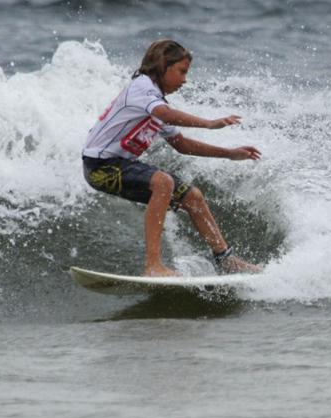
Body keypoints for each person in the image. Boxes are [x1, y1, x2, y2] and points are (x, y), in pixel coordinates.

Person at [82, 39, 263, 277]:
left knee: (193, 196)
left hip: (123, 165)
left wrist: (229, 154)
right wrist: (209, 124)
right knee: (163, 182)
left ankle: (225, 259)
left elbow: (182, 144)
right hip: (100, 166)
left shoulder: (155, 102)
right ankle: (153, 266)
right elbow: (164, 114)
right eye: (181, 71)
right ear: (162, 66)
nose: (185, 80)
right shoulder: (141, 87)